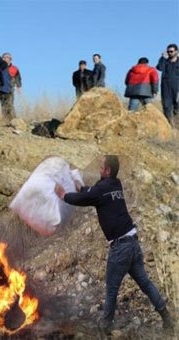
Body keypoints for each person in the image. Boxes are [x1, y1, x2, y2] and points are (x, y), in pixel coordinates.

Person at [55, 155, 174, 334]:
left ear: (108, 171)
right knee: (145, 283)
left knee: (111, 290)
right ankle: (166, 318)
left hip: (120, 248)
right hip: (133, 243)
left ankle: (106, 328)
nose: (98, 169)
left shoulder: (101, 189)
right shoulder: (116, 185)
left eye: (101, 167)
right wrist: (81, 187)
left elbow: (82, 199)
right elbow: (91, 193)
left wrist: (63, 195)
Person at [156, 43, 179, 126]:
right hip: (165, 87)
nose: (169, 53)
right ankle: (169, 124)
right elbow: (160, 68)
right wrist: (163, 58)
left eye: (171, 51)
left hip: (177, 87)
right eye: (168, 51)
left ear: (176, 51)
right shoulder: (165, 61)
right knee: (166, 106)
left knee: (177, 104)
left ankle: (176, 121)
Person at [0, 52, 22, 121]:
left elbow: (18, 78)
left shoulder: (14, 68)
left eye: (7, 57)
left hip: (9, 89)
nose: (5, 59)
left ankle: (14, 120)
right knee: (3, 105)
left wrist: (19, 86)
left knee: (10, 105)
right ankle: (5, 120)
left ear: (10, 59)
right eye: (3, 57)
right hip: (0, 89)